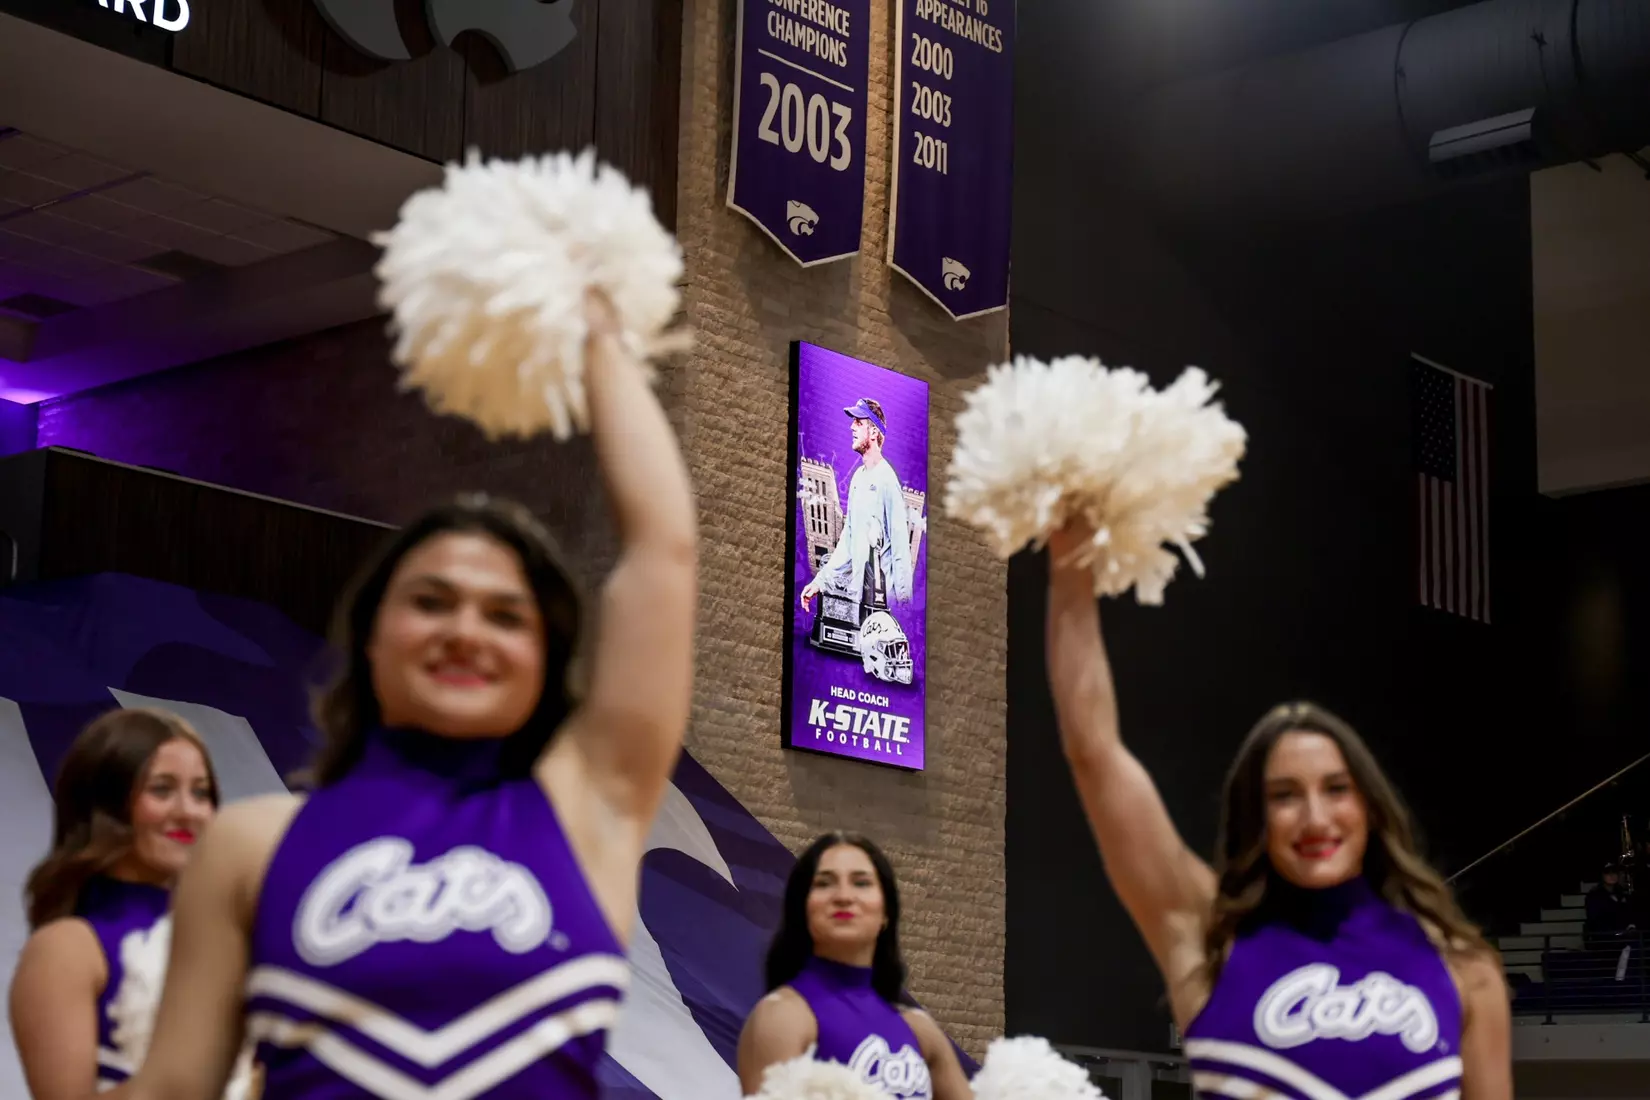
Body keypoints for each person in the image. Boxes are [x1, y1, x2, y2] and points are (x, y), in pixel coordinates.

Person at [111, 303, 698, 1100]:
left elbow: (662, 550)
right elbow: (176, 1086)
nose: (464, 630)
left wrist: (599, 336)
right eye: (431, 601)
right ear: (373, 636)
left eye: (504, 615)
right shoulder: (250, 844)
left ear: (546, 659)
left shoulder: (589, 811)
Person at [1042, 523, 1512, 1099]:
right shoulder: (1209, 937)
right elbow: (1094, 753)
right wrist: (1071, 565)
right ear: (1255, 817)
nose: (1316, 818)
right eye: (1285, 796)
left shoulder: (1463, 968)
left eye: (1337, 789)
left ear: (1369, 806)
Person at [8, 708, 221, 1098]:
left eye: (201, 792)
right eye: (162, 789)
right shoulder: (67, 949)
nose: (189, 811)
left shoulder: (221, 938)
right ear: (107, 804)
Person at [736, 832, 972, 1100]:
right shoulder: (782, 1016)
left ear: (885, 912)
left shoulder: (920, 1029)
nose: (844, 896)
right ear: (802, 908)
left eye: (861, 883)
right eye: (824, 883)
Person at [801, 398, 914, 615]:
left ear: (873, 433)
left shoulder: (887, 481)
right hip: (859, 604)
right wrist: (820, 583)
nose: (851, 427)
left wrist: (903, 610)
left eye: (858, 422)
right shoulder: (857, 479)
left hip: (884, 608)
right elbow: (848, 541)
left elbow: (901, 551)